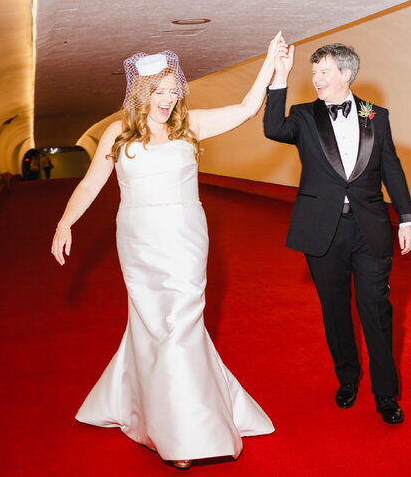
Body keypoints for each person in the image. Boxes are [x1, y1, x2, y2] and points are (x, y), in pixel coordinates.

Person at [51, 33, 285, 468]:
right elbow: (89, 185)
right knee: (153, 327)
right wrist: (66, 222)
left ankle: (186, 433)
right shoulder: (117, 135)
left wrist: (272, 63)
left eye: (173, 92)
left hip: (185, 236)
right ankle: (160, 415)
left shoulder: (188, 124)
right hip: (139, 239)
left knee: (180, 325)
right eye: (159, 92)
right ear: (142, 93)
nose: (168, 100)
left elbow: (246, 109)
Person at [263, 40, 411, 424]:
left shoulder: (374, 115)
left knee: (376, 312)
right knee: (335, 312)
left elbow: (391, 167)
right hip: (322, 231)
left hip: (370, 229)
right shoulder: (303, 115)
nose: (316, 78)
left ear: (347, 75)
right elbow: (272, 128)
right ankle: (347, 378)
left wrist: (407, 217)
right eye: (313, 72)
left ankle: (385, 394)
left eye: (324, 71)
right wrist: (279, 76)